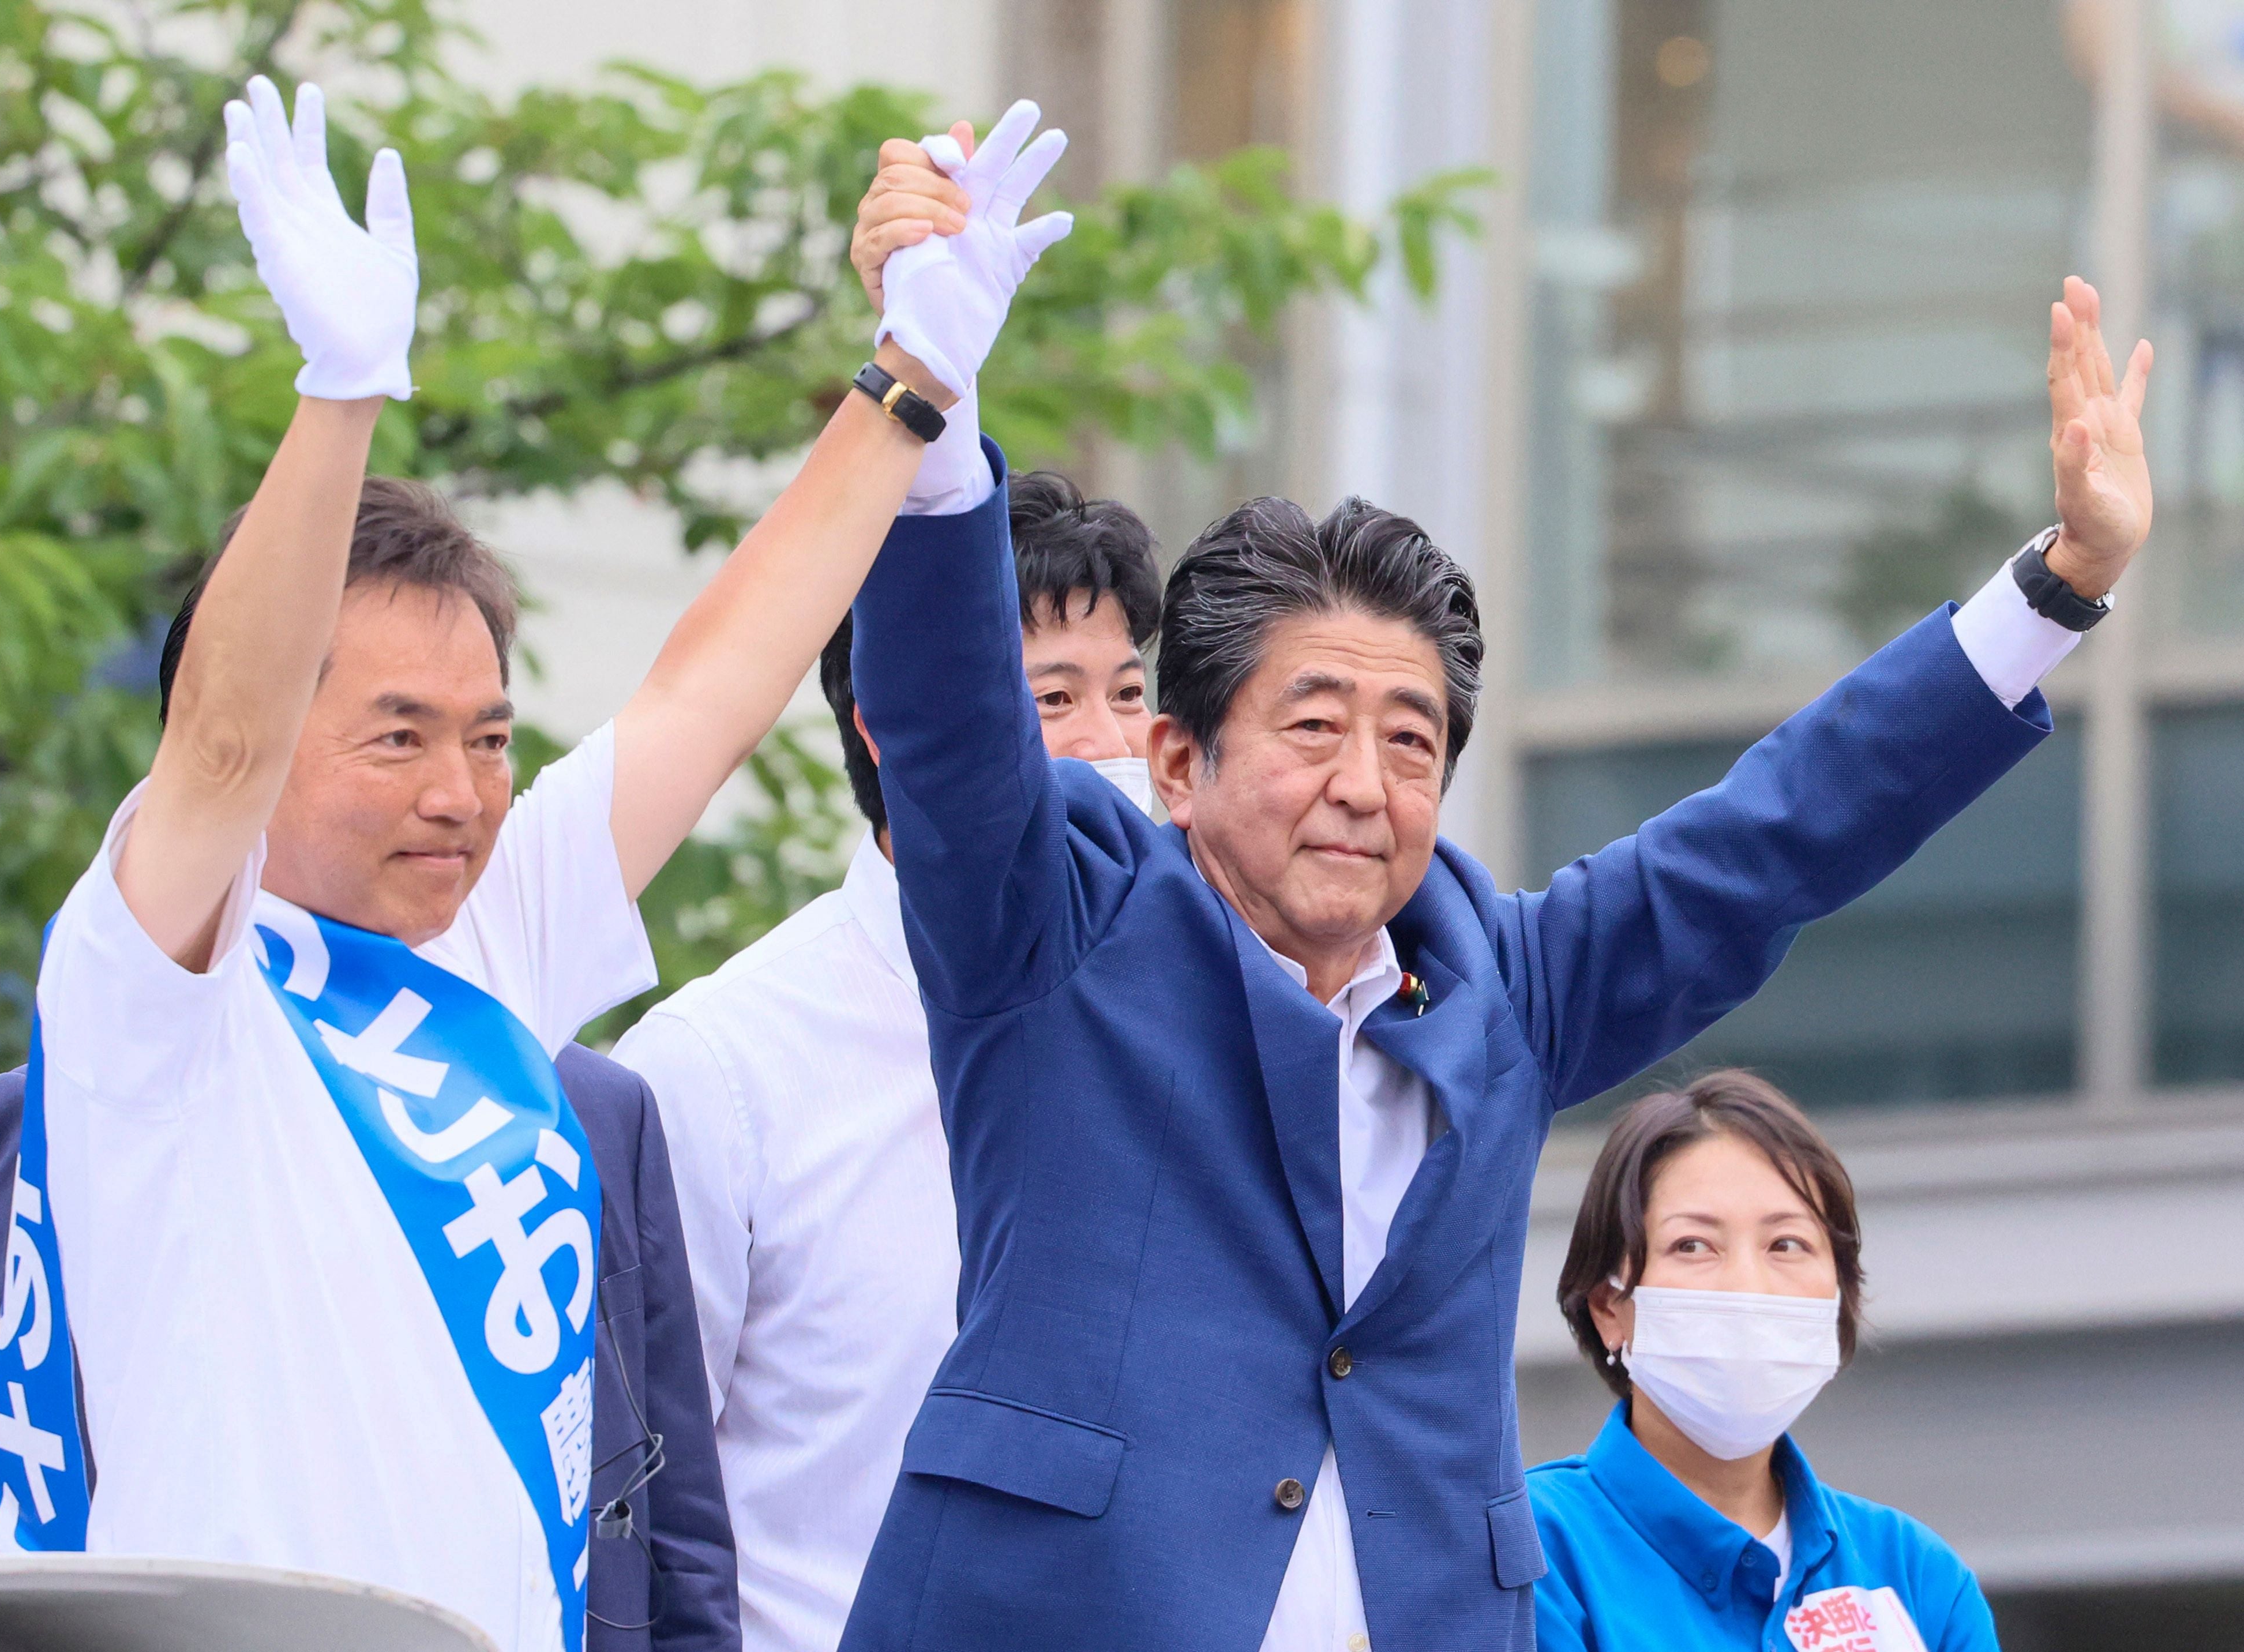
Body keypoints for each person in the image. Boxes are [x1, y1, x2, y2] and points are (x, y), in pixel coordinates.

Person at [831, 118, 2155, 1651]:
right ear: (1176, 763)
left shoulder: (1499, 988)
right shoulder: (1059, 928)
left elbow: (1776, 832)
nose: (1364, 784)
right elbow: (945, 724)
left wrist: (2060, 583)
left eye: (1411, 742)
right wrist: (930, 392)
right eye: (1313, 727)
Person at [0, 74, 1067, 1652]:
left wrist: (913, 382)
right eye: (396, 736)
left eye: (486, 738)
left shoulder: (487, 950)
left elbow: (716, 678)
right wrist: (341, 393)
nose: (461, 792)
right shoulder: (158, 995)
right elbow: (216, 742)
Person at [609, 464, 1161, 1652]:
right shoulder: (717, 1071)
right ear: (897, 716)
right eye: (1053, 699)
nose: (1114, 742)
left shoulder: (1191, 1030)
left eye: (1127, 690)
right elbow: (638, 1504)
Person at [0, 1045, 734, 1649]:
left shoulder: (590, 1103)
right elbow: (20, 1500)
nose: (450, 821)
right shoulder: (71, 1108)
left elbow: (676, 1529)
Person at [1529, 1071, 1997, 1652]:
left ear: (1837, 1294)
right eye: (1693, 1245)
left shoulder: (1915, 1575)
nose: (1747, 1285)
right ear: (1610, 1307)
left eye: (1786, 1244)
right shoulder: (1533, 1554)